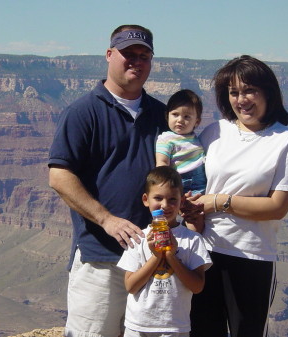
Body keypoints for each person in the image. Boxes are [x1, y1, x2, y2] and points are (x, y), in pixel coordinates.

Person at [48, 24, 168, 337]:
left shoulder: (163, 115)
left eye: (144, 56)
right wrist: (107, 220)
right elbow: (59, 176)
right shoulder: (84, 112)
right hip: (101, 258)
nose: (136, 62)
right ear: (109, 55)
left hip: (151, 257)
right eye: (128, 54)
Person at [184, 55, 288, 337]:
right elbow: (192, 178)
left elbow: (277, 207)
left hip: (251, 255)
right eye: (234, 92)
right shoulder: (215, 131)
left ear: (267, 93)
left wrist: (217, 202)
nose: (242, 100)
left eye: (250, 90)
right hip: (203, 252)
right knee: (201, 331)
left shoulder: (286, 141)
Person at [117, 166, 212, 337]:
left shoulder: (193, 240)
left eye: (172, 199)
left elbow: (197, 286)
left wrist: (170, 255)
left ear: (182, 201)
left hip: (174, 327)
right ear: (146, 199)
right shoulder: (138, 239)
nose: (165, 205)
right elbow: (131, 286)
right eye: (158, 198)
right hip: (138, 326)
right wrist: (156, 256)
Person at [155, 89, 206, 195]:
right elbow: (162, 162)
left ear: (197, 122)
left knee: (198, 206)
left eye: (186, 117)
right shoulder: (166, 139)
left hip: (201, 181)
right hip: (181, 180)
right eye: (175, 114)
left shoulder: (195, 138)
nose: (180, 120)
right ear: (167, 116)